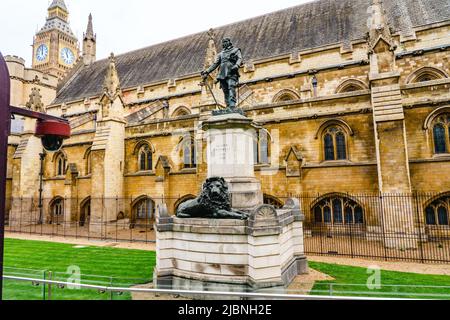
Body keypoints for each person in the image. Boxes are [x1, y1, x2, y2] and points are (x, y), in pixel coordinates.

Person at [201, 38, 242, 109]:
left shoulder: (236, 50)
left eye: (226, 42)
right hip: (222, 73)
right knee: (225, 90)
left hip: (231, 71)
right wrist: (207, 71)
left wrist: (237, 65)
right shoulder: (221, 54)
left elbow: (239, 59)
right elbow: (215, 64)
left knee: (231, 86)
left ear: (229, 42)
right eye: (223, 42)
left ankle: (232, 105)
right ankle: (228, 105)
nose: (224, 43)